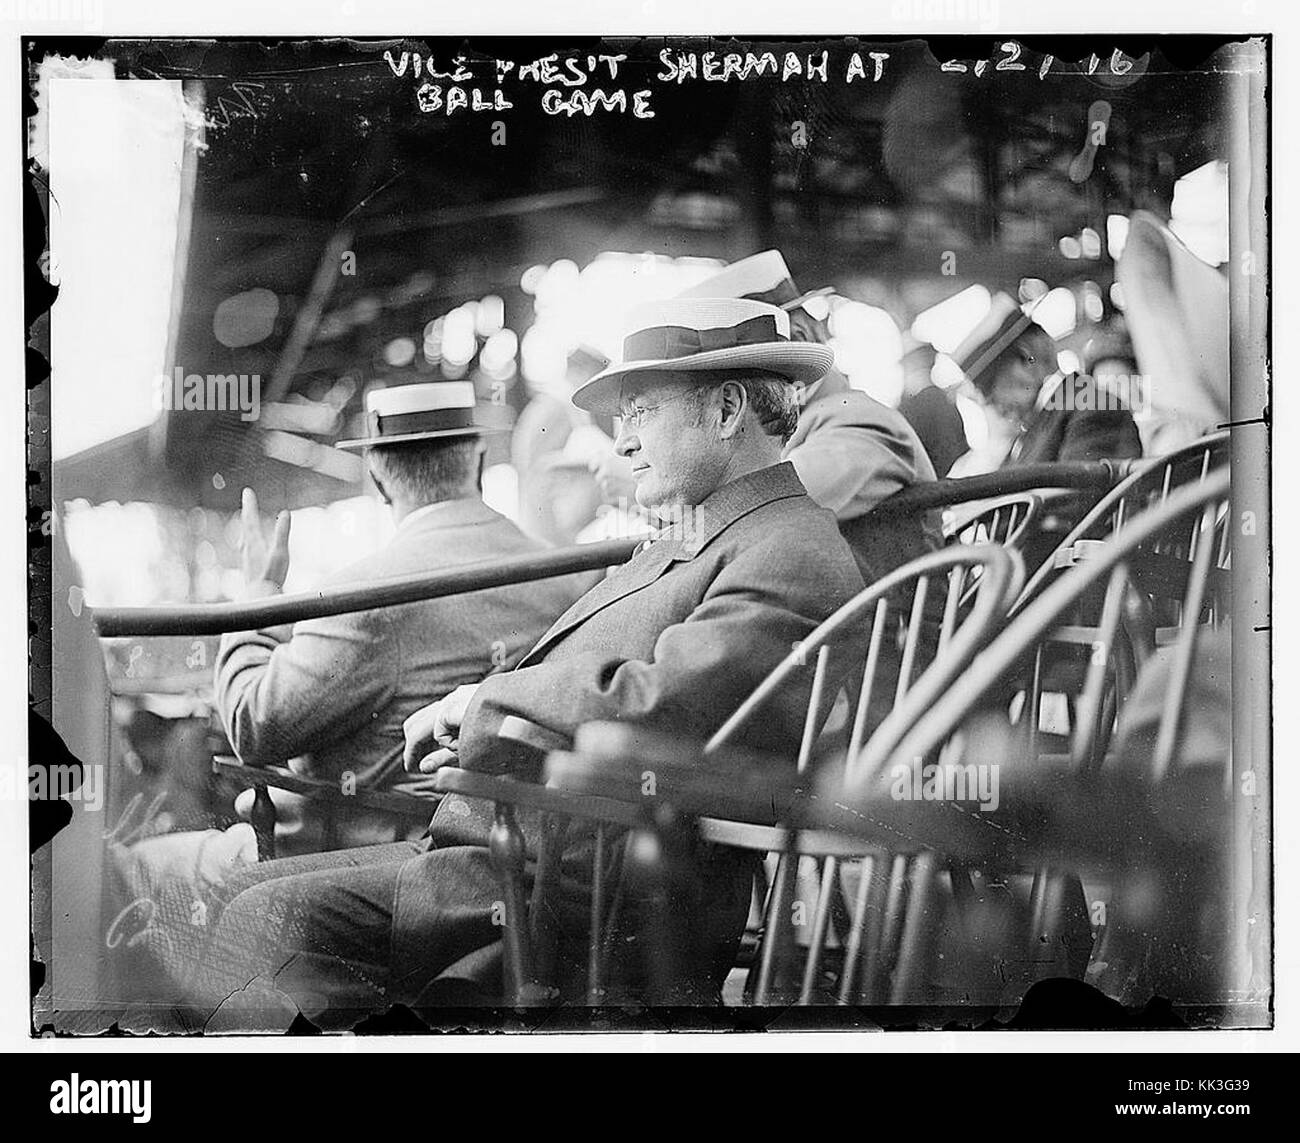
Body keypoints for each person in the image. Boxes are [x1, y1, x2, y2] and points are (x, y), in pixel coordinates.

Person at [185, 299, 866, 1026]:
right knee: (239, 900)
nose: (622, 442)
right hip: (513, 859)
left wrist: (473, 704)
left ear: (728, 408)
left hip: (565, 903)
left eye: (640, 412)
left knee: (255, 921)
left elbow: (663, 705)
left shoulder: (789, 548)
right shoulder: (713, 534)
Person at [215, 380, 591, 851]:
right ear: (477, 459)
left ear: (377, 478)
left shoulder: (363, 594)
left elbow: (254, 724)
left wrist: (258, 594)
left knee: (147, 863)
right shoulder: (563, 575)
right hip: (504, 849)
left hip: (351, 856)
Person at [577, 251, 939, 583]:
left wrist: (647, 493)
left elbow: (761, 511)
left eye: (741, 366)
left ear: (796, 337)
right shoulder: (811, 427)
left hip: (893, 648)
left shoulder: (862, 425)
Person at [952, 292, 1143, 468]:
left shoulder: (1092, 408)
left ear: (1028, 359)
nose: (988, 403)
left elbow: (1078, 500)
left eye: (988, 389)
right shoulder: (1037, 428)